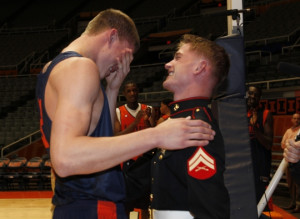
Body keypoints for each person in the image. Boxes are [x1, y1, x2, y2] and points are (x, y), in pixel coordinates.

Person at [35, 9, 215, 219]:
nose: (123, 64)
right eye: (124, 55)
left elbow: (97, 146)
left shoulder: (53, 67)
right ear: (111, 36)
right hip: (93, 206)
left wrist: (112, 90)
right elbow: (66, 159)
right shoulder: (80, 67)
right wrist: (157, 135)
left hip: (76, 205)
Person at [151, 34, 230, 218]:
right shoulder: (178, 121)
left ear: (199, 67)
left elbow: (211, 209)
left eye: (177, 57)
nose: (168, 64)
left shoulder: (197, 126)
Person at [114, 80, 155, 218]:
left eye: (135, 90)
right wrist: (136, 122)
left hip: (144, 162)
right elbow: (116, 136)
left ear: (138, 91)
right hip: (127, 164)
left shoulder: (148, 108)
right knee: (126, 205)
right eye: (129, 91)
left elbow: (154, 136)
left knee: (145, 206)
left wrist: (147, 121)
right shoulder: (118, 112)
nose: (132, 93)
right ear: (124, 94)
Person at [247, 85, 273, 211]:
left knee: (261, 202)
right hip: (245, 162)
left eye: (255, 94)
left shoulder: (266, 114)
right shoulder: (241, 113)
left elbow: (268, 144)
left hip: (260, 162)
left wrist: (255, 128)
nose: (252, 96)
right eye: (250, 93)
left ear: (260, 97)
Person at [281, 113, 300, 212]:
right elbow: (283, 144)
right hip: (288, 161)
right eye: (295, 118)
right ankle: (292, 203)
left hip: (298, 161)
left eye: (298, 119)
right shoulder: (288, 131)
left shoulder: (299, 131)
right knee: (290, 183)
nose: (296, 120)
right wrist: (290, 146)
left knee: (298, 184)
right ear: (291, 120)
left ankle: (298, 205)